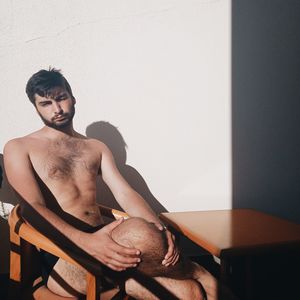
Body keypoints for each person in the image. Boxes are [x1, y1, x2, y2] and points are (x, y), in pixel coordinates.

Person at [4, 68, 217, 299]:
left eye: (61, 98)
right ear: (36, 108)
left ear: (72, 98)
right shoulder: (19, 147)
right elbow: (32, 207)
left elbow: (124, 193)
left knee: (190, 293)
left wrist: (161, 229)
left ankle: (142, 280)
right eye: (46, 103)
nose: (56, 109)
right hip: (63, 253)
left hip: (108, 242)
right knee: (139, 232)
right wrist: (87, 243)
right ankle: (197, 270)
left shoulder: (96, 147)